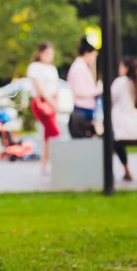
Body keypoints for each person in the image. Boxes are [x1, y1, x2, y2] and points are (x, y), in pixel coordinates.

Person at [27, 42, 60, 175]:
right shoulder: (35, 67)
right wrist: (52, 102)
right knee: (54, 133)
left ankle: (45, 164)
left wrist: (56, 102)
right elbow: (39, 88)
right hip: (43, 103)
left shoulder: (52, 69)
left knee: (47, 135)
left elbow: (56, 87)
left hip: (52, 102)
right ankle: (54, 162)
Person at [112, 57, 137, 181]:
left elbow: (109, 99)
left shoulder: (121, 82)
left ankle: (126, 169)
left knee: (110, 140)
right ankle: (127, 171)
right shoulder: (135, 82)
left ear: (126, 68)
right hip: (135, 124)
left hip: (122, 126)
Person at [67, 36, 103, 124]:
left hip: (86, 108)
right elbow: (79, 91)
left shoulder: (81, 67)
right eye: (94, 56)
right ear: (87, 53)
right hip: (83, 109)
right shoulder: (79, 68)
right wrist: (98, 90)